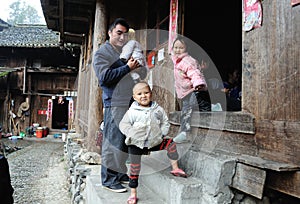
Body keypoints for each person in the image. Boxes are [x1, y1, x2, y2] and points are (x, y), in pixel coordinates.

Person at [93, 18, 147, 193]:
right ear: (110, 33)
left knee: (124, 141)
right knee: (113, 141)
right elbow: (105, 78)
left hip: (129, 101)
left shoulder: (125, 51)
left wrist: (138, 68)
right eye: (119, 33)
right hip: (114, 102)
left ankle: (120, 173)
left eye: (125, 34)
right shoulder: (103, 53)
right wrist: (127, 68)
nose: (122, 37)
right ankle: (108, 179)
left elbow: (140, 73)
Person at [119, 82, 187, 204]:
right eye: (139, 94)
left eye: (146, 93)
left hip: (153, 141)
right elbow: (123, 125)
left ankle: (175, 168)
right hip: (136, 144)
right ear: (134, 97)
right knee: (135, 168)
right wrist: (131, 133)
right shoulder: (132, 112)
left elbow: (165, 122)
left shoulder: (157, 109)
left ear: (151, 94)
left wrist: (161, 134)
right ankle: (133, 193)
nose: (143, 96)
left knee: (170, 144)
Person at [171, 36, 211, 143]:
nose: (177, 50)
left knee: (191, 106)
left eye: (181, 48)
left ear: (186, 49)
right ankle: (184, 132)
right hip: (185, 92)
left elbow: (195, 73)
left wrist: (198, 83)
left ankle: (184, 132)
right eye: (175, 47)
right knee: (187, 109)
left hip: (195, 88)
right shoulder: (177, 62)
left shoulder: (188, 61)